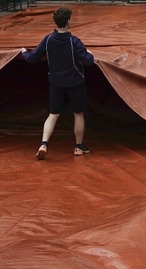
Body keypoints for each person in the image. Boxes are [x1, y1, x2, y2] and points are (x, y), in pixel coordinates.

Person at [21, 6, 94, 160]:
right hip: (75, 82)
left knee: (53, 114)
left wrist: (23, 52)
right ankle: (78, 147)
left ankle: (44, 143)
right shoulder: (74, 41)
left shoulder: (48, 40)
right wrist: (90, 55)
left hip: (56, 83)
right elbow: (88, 61)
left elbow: (32, 57)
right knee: (78, 113)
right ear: (68, 22)